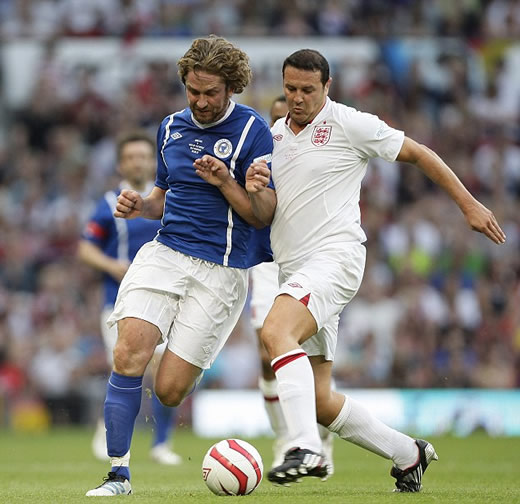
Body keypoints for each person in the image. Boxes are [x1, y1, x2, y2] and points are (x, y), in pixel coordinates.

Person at [247, 49, 506, 492]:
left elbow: (420, 153)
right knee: (318, 399)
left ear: (327, 87)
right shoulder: (275, 137)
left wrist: (468, 204)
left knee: (274, 333)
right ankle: (409, 454)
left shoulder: (349, 123)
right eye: (290, 88)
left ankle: (303, 447)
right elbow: (267, 212)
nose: (297, 98)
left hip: (335, 258)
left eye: (308, 90)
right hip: (296, 270)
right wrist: (254, 186)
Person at [86, 35, 276, 497]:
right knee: (129, 351)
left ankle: (161, 434)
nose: (201, 101)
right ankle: (118, 475)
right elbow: (161, 198)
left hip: (222, 270)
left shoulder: (253, 131)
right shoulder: (171, 127)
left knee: (169, 390)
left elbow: (261, 215)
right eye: (193, 91)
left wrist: (227, 181)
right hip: (165, 253)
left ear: (231, 86)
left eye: (211, 92)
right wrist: (140, 206)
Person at [78, 131, 182, 466]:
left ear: (153, 161)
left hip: (167, 298)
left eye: (143, 156)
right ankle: (109, 433)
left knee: (166, 372)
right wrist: (111, 265)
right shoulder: (109, 204)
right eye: (131, 157)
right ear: (122, 163)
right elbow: (84, 247)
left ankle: (161, 443)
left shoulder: (167, 199)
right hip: (120, 301)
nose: (138, 162)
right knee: (127, 366)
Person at [251, 95, 334, 473]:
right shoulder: (262, 147)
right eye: (277, 116)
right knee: (268, 351)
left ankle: (316, 437)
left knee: (300, 350)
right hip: (267, 264)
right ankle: (287, 438)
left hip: (310, 260)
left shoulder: (323, 149)